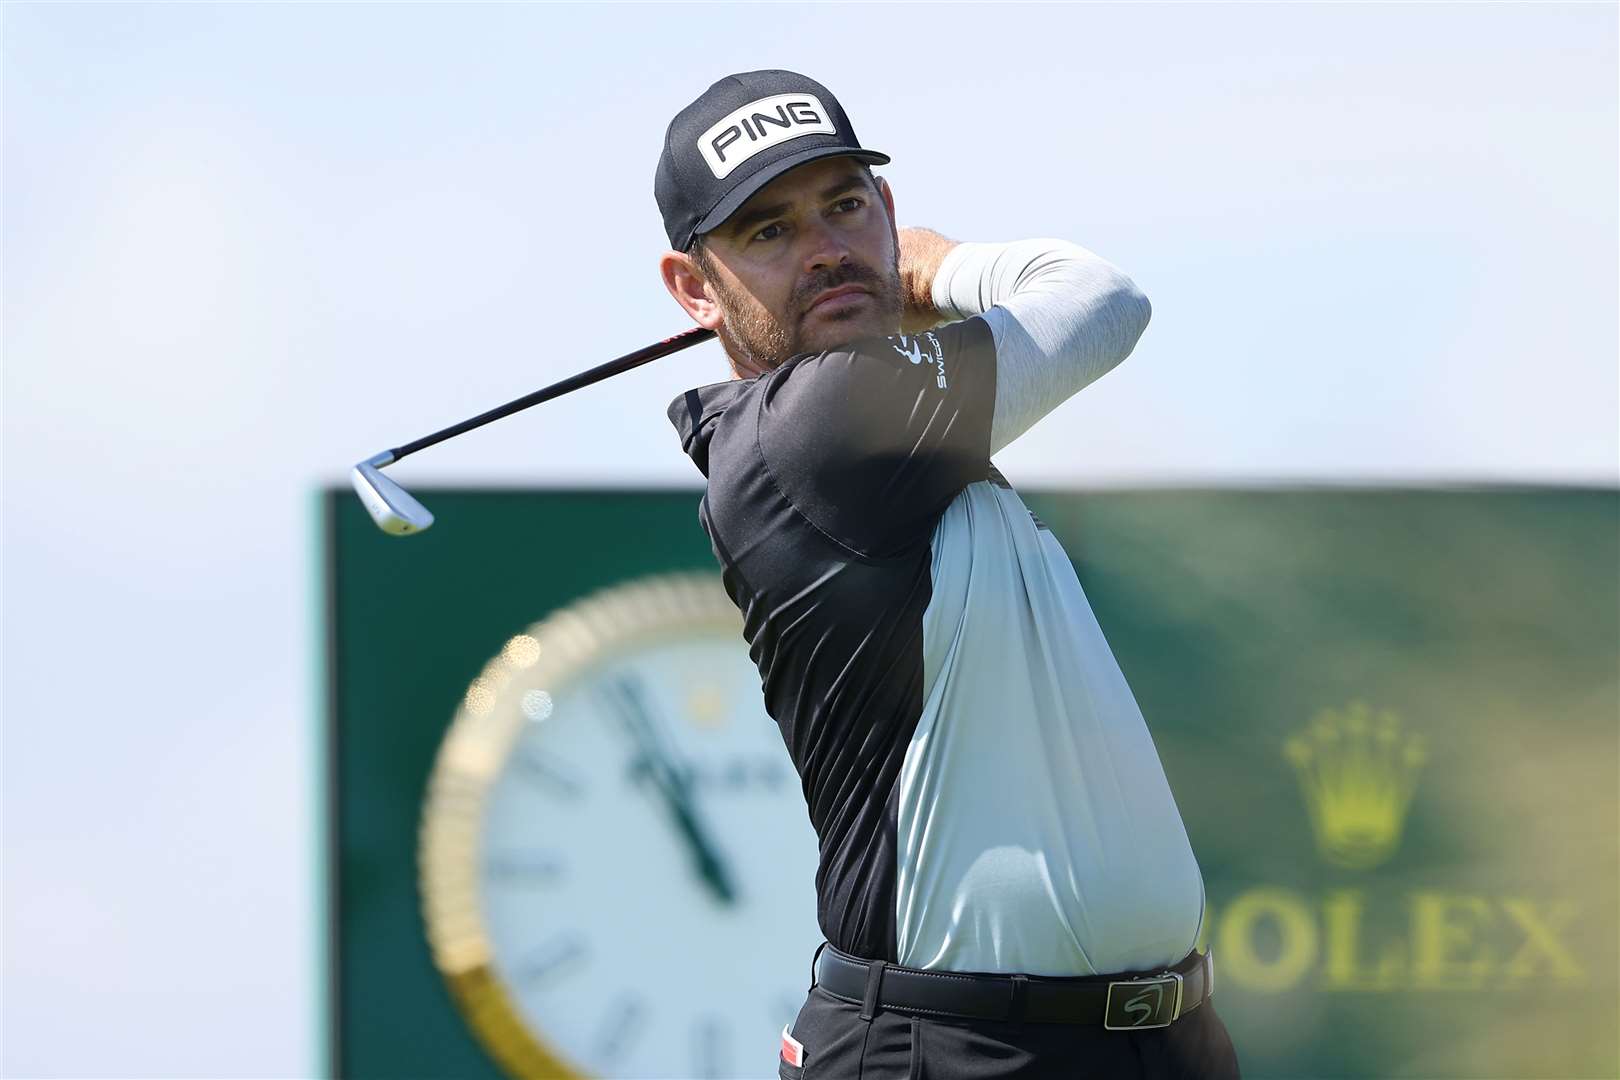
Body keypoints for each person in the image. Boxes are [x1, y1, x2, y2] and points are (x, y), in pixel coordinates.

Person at [656, 69, 1241, 1079]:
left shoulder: (904, 432)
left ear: (884, 208)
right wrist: (943, 266)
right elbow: (1101, 298)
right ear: (694, 290)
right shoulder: (816, 433)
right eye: (769, 232)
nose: (828, 248)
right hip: (957, 1050)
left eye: (845, 206)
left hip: (1152, 1043)